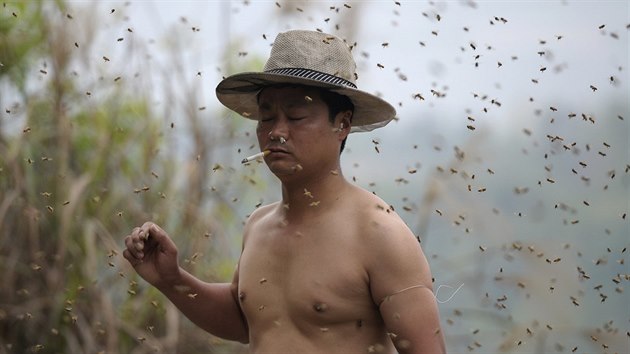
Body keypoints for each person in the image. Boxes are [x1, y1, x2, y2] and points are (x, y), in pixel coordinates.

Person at [123, 29, 446, 354]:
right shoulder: (259, 225)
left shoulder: (379, 233)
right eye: (266, 117)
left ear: (343, 125)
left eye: (296, 116)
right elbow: (245, 322)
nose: (276, 131)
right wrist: (172, 279)